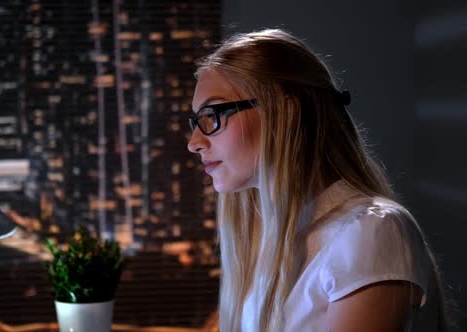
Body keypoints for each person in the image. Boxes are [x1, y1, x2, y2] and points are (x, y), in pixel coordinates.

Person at [187, 29, 450, 331]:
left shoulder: (370, 231)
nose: (194, 142)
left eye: (212, 115)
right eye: (196, 121)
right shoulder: (271, 242)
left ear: (286, 111)